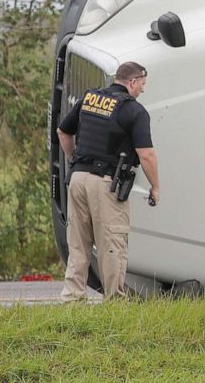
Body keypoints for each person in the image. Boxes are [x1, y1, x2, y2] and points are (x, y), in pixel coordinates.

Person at [56, 62, 160, 301]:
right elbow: (146, 155)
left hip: (78, 179)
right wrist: (155, 187)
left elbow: (63, 132)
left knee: (78, 243)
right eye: (142, 85)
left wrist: (73, 160)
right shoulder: (134, 111)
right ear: (133, 81)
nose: (142, 91)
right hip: (105, 183)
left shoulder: (90, 99)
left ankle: (72, 299)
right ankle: (114, 302)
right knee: (112, 242)